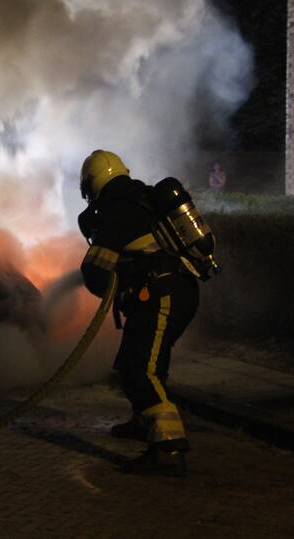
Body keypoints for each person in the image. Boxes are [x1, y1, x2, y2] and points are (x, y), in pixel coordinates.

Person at [78, 149, 199, 477]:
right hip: (172, 292)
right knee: (137, 362)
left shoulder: (116, 210)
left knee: (140, 369)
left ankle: (168, 447)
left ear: (93, 182)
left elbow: (95, 270)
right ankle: (142, 421)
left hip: (162, 294)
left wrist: (106, 283)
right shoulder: (141, 196)